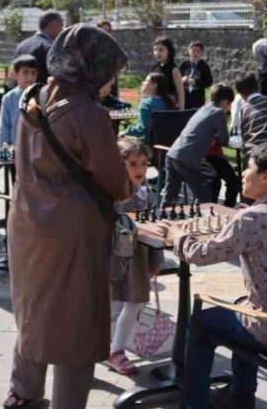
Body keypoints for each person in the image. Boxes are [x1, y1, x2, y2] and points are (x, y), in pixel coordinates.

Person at [6, 24, 131, 409]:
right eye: (110, 73)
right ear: (92, 68)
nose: (112, 82)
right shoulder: (89, 114)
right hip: (72, 233)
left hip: (27, 222)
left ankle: (22, 395)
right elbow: (116, 185)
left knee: (34, 312)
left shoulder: (35, 96)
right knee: (76, 326)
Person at [162, 142, 267, 409]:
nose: (242, 174)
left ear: (266, 177)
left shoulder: (250, 220)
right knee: (243, 306)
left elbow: (202, 255)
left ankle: (193, 403)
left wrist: (179, 235)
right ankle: (241, 396)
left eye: (249, 168)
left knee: (199, 323)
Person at [107, 137, 163, 376]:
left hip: (139, 257)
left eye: (143, 163)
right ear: (120, 166)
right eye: (133, 164)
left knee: (136, 301)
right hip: (116, 257)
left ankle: (114, 348)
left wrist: (157, 258)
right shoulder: (112, 194)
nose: (140, 169)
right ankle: (113, 349)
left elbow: (155, 225)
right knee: (117, 303)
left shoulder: (146, 193)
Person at [163, 83, 236, 205]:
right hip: (188, 159)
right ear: (225, 102)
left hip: (173, 153)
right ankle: (202, 220)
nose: (229, 107)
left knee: (170, 194)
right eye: (230, 104)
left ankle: (162, 217)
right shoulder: (218, 113)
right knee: (205, 195)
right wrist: (215, 138)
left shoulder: (204, 108)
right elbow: (224, 140)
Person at [0, 55, 39, 146]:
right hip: (15, 148)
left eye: (33, 73)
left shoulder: (42, 96)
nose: (30, 77)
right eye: (25, 72)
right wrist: (3, 146)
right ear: (15, 74)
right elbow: (4, 127)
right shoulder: (9, 98)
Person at [123, 73, 176, 143]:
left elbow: (142, 130)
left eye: (146, 80)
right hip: (167, 143)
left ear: (155, 85)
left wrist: (126, 131)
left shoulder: (146, 104)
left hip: (149, 144)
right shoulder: (170, 102)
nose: (142, 83)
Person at [15, 11, 64, 84]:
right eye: (61, 26)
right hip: (41, 92)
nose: (62, 30)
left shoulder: (21, 46)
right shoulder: (50, 48)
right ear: (52, 25)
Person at [234, 74, 267, 150]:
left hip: (253, 152)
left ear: (240, 94)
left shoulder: (244, 109)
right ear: (259, 87)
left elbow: (242, 136)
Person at [151, 36, 186, 109]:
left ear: (169, 51)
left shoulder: (174, 69)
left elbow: (180, 93)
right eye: (155, 49)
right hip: (155, 104)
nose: (158, 53)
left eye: (161, 50)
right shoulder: (154, 68)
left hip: (169, 105)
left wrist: (181, 111)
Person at [179, 41, 214, 110]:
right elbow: (177, 79)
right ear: (189, 51)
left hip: (198, 99)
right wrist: (182, 80)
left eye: (198, 51)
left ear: (201, 53)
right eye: (193, 50)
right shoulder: (184, 65)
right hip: (184, 97)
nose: (195, 53)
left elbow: (209, 82)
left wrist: (196, 82)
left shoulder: (204, 66)